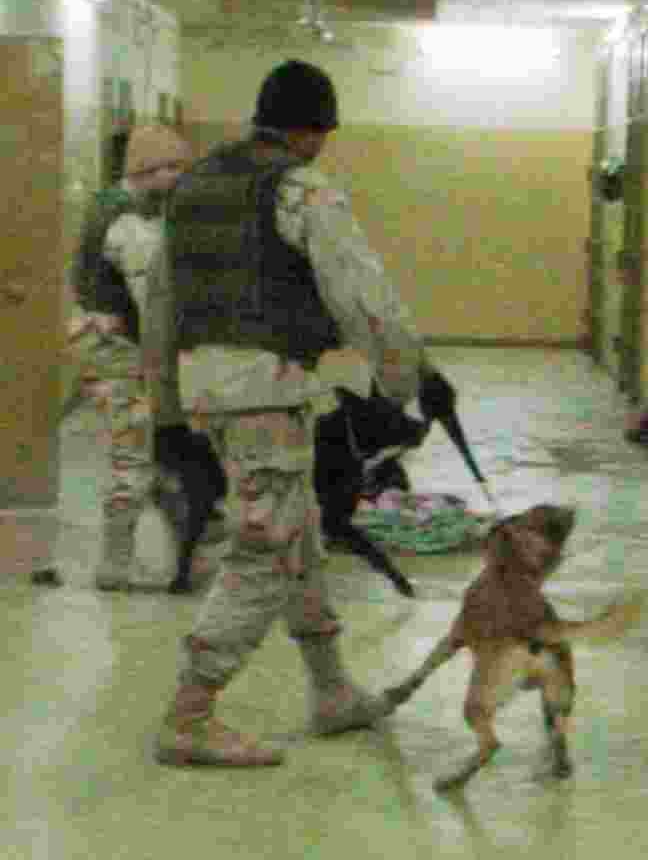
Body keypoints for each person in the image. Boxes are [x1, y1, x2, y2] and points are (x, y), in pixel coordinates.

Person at [144, 60, 429, 766]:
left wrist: (166, 405)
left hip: (208, 386)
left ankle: (331, 691)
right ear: (312, 130)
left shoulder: (193, 186)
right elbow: (362, 296)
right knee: (264, 548)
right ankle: (190, 713)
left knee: (297, 535)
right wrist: (403, 379)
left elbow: (161, 300)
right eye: (324, 133)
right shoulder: (301, 189)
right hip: (264, 390)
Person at [63, 123, 193, 591]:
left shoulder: (109, 204)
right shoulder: (126, 219)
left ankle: (181, 540)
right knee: (133, 453)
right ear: (147, 169)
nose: (179, 178)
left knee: (143, 450)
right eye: (173, 168)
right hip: (117, 350)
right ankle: (115, 564)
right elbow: (149, 298)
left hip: (100, 343)